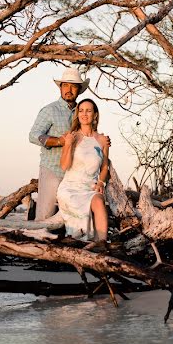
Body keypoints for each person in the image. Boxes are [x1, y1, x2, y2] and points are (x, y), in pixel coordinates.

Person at [29, 67, 88, 220]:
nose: (69, 89)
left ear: (79, 89)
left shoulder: (82, 112)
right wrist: (59, 141)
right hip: (52, 169)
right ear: (61, 87)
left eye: (73, 86)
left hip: (75, 173)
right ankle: (35, 241)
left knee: (73, 216)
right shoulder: (50, 110)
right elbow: (34, 136)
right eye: (66, 85)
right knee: (44, 214)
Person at [56, 99, 110, 243]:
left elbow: (105, 166)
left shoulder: (103, 140)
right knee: (75, 204)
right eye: (81, 110)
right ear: (77, 114)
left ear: (95, 115)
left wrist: (101, 182)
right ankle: (79, 240)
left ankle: (101, 244)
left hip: (90, 187)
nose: (84, 114)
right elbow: (64, 166)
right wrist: (68, 144)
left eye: (88, 110)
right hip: (70, 188)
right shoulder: (72, 136)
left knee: (99, 201)